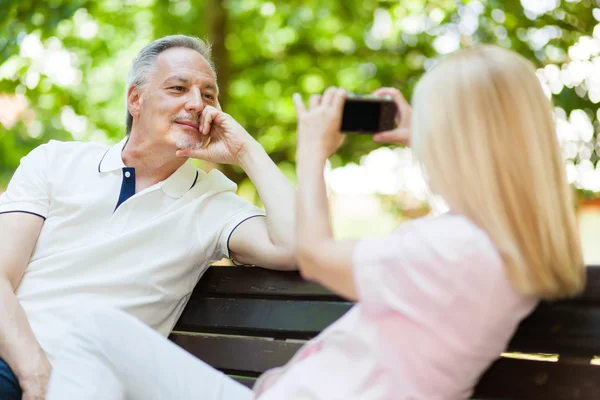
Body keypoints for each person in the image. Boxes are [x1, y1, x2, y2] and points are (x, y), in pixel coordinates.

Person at [45, 45, 585, 400]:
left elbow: (315, 253)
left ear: (465, 140)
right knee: (96, 328)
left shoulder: (457, 249)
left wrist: (310, 152)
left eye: (438, 127)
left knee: (91, 332)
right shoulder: (496, 244)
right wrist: (425, 130)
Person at [0, 35, 297, 400]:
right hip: (14, 359)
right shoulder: (54, 162)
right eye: (178, 88)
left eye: (208, 95)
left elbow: (295, 247)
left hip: (88, 385)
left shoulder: (214, 203)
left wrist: (246, 151)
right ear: (135, 100)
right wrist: (34, 373)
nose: (196, 104)